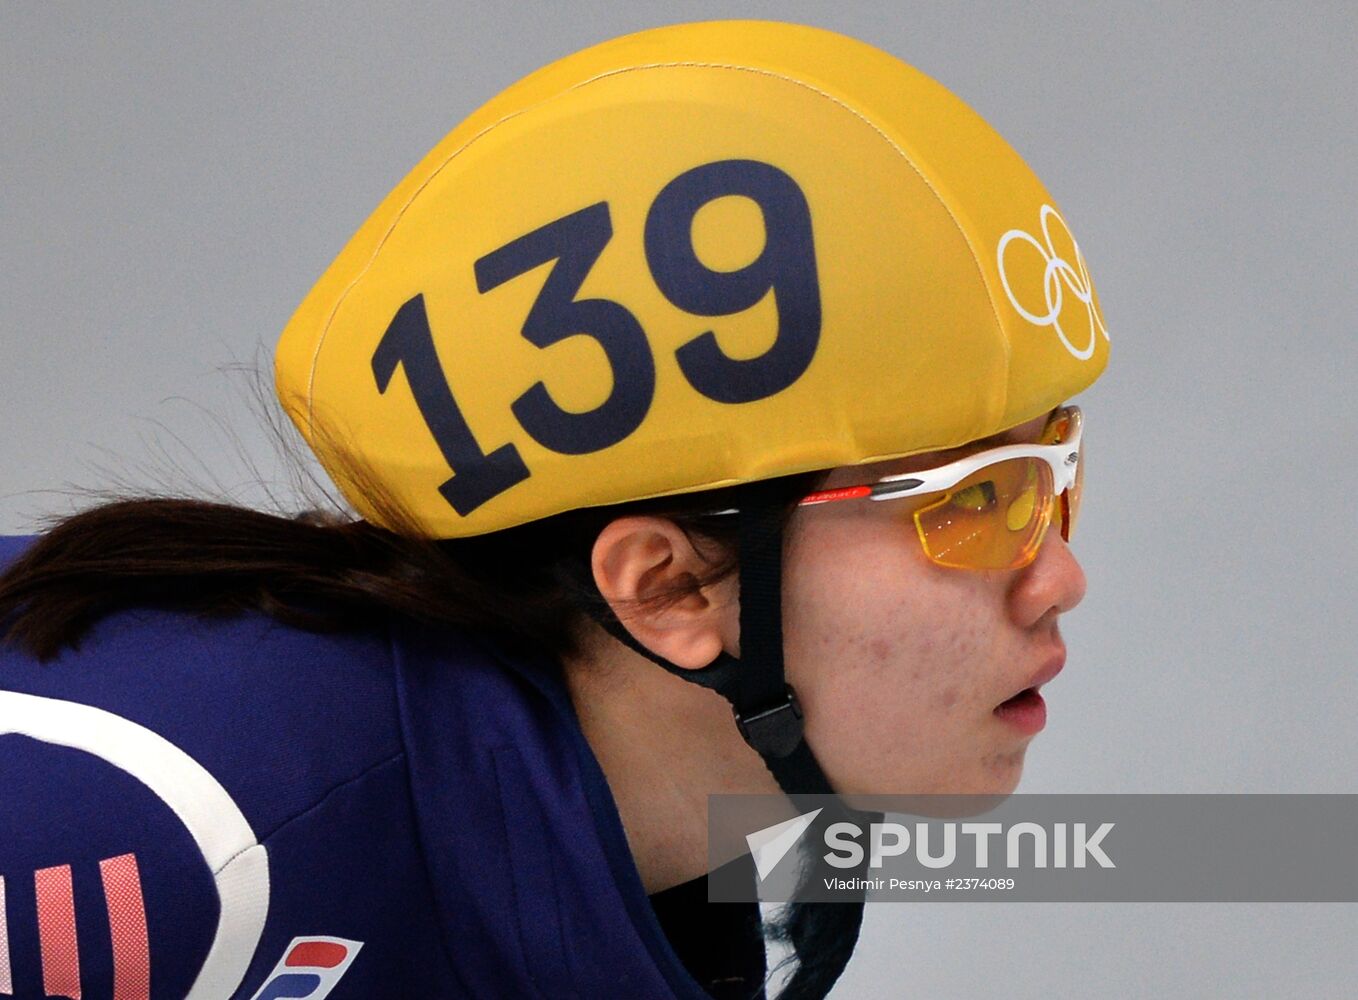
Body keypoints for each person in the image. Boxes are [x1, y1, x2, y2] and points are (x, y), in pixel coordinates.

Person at [0, 18, 1109, 1000]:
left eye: (1055, 479)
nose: (1058, 574)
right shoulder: (157, 830)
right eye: (975, 502)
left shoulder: (607, 871)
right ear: (667, 588)